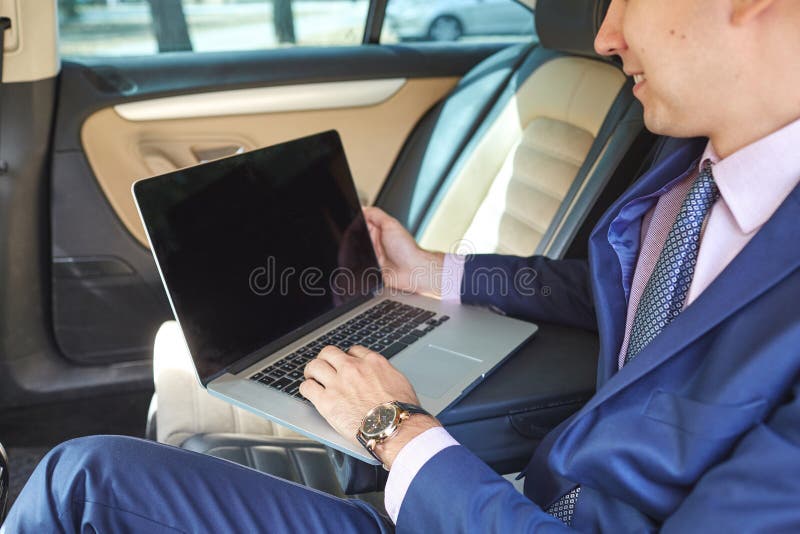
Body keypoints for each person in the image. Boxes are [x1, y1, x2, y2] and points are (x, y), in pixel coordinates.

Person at [4, 0, 800, 531]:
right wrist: (435, 272)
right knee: (83, 480)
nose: (604, 33)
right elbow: (616, 295)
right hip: (489, 503)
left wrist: (396, 429)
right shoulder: (685, 168)